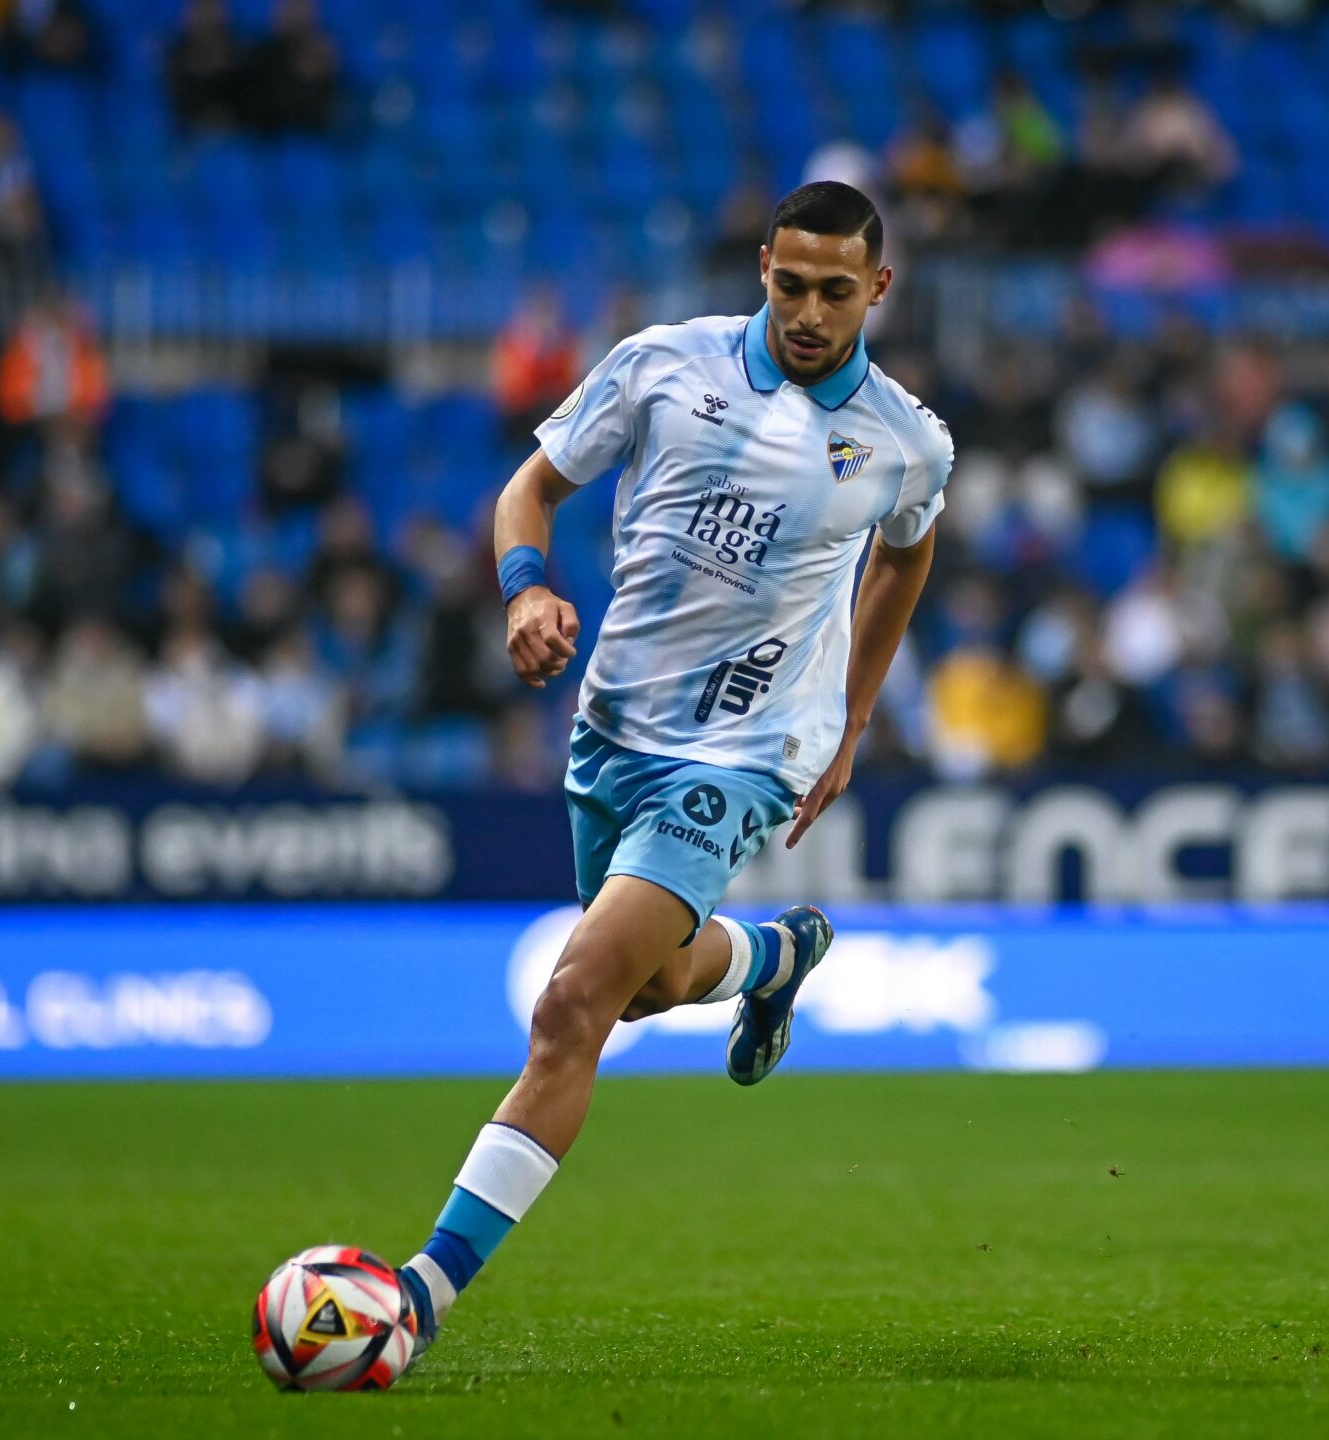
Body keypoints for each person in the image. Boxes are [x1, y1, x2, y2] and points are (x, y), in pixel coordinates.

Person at [389, 182, 952, 1361]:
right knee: (647, 989)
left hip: (746, 753)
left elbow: (907, 556)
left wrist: (851, 720)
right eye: (789, 284)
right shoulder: (662, 366)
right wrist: (524, 589)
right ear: (762, 269)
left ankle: (418, 1298)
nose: (808, 312)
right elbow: (531, 489)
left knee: (573, 1005)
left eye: (834, 291)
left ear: (878, 289)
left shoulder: (904, 441)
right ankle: (773, 956)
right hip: (613, 735)